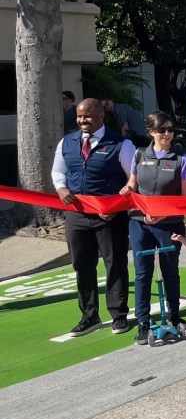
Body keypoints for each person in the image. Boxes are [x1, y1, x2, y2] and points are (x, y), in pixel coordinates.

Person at [52, 98, 136, 337]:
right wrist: (61, 188)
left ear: (100, 115)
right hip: (77, 214)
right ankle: (89, 317)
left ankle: (119, 315)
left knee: (115, 264)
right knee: (82, 265)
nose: (82, 121)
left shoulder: (121, 144)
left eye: (87, 116)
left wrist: (116, 207)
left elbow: (133, 180)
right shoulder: (66, 142)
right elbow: (58, 171)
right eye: (79, 116)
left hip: (110, 216)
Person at [118, 111, 186, 345]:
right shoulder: (140, 154)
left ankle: (175, 315)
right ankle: (143, 322)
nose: (167, 134)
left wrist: (163, 214)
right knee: (142, 273)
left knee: (170, 270)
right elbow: (133, 183)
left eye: (171, 129)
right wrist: (127, 189)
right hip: (140, 223)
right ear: (151, 132)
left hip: (169, 224)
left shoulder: (182, 159)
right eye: (162, 129)